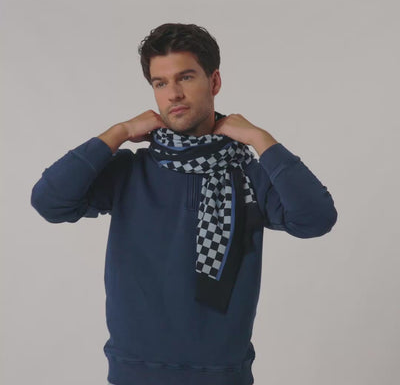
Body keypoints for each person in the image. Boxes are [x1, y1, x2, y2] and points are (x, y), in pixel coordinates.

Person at [31, 23, 338, 385]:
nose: (173, 94)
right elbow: (50, 202)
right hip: (134, 374)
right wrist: (118, 132)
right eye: (160, 83)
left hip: (223, 376)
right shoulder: (129, 172)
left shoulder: (248, 176)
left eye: (186, 77)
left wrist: (260, 139)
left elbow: (315, 218)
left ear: (214, 81)